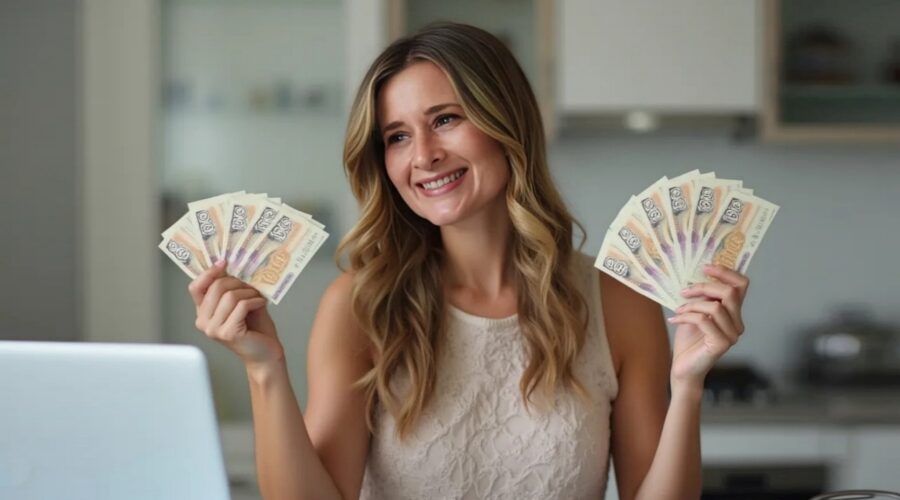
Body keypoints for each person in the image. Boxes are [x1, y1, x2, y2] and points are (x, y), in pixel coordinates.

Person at [188, 22, 750, 500]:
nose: (425, 155)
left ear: (507, 124)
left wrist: (690, 385)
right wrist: (264, 370)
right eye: (398, 136)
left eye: (447, 119)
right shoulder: (361, 307)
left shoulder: (619, 304)